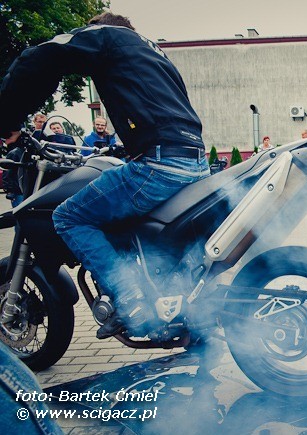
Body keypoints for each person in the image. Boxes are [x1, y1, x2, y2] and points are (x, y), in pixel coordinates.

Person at [0, 12, 210, 339]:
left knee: (68, 217)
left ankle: (130, 299)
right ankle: (179, 308)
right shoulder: (153, 51)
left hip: (160, 164)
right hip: (195, 160)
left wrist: (7, 120)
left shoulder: (107, 37)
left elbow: (39, 58)